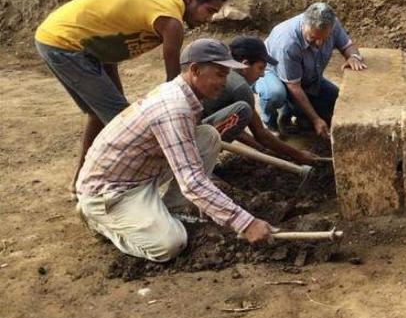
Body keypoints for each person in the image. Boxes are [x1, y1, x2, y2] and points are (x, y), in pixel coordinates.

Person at [76, 39, 275, 263]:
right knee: (170, 245)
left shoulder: (184, 97)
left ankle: (172, 209)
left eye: (226, 74)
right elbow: (191, 181)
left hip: (140, 173)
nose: (224, 82)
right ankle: (100, 220)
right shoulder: (174, 107)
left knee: (208, 136)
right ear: (195, 70)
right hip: (110, 191)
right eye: (220, 74)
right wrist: (246, 223)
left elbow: (189, 167)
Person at [34, 0, 229, 193]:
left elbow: (110, 37)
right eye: (209, 11)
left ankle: (80, 182)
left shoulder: (161, 5)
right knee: (126, 122)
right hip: (66, 43)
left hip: (70, 42)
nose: (209, 19)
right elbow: (175, 86)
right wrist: (190, 144)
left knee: (103, 114)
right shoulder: (170, 21)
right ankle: (116, 189)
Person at [256, 2, 367, 139]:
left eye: (324, 38)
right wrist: (315, 119)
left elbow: (347, 46)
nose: (319, 43)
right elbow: (294, 86)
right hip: (271, 73)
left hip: (307, 77)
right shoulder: (287, 42)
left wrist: (353, 57)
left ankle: (296, 114)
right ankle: (270, 124)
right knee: (275, 94)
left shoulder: (332, 24)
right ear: (304, 25)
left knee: (337, 104)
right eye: (313, 38)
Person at [200, 36, 318, 164]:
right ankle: (201, 163)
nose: (262, 75)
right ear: (245, 65)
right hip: (193, 140)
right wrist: (298, 155)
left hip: (190, 132)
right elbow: (261, 135)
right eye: (260, 68)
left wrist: (262, 150)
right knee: (243, 110)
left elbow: (232, 127)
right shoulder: (241, 88)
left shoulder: (228, 77)